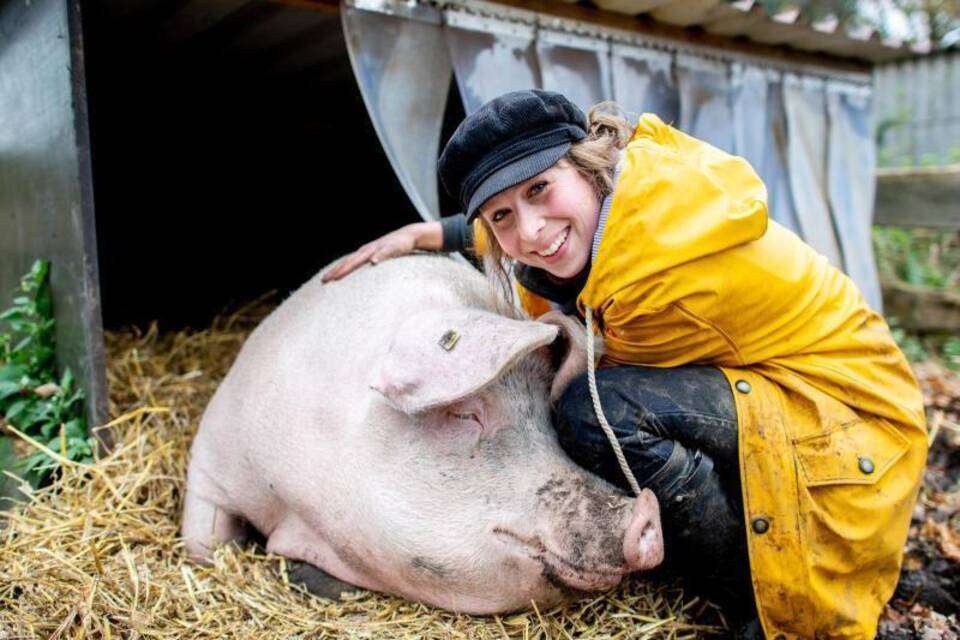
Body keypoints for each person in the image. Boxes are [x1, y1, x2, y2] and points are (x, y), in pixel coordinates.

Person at [322, 90, 927, 639]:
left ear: (587, 165)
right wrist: (430, 234)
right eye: (501, 215)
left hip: (848, 419)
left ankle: (749, 591)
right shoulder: (630, 197)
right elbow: (537, 229)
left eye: (539, 189)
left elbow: (584, 362)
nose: (531, 231)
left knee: (595, 412)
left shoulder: (658, 275)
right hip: (794, 382)